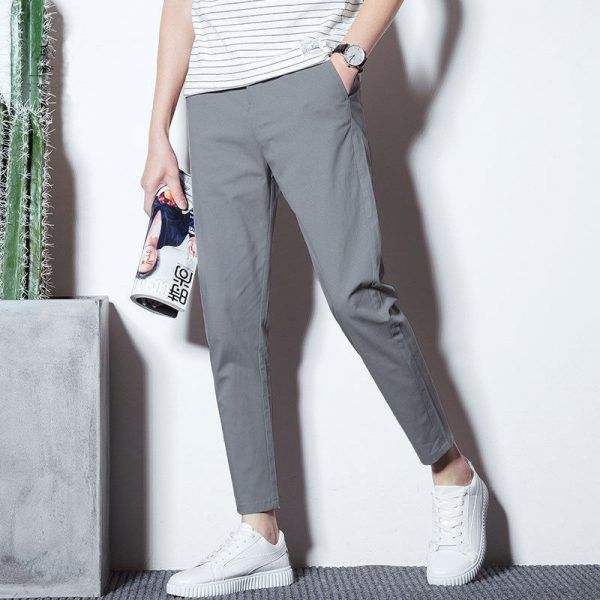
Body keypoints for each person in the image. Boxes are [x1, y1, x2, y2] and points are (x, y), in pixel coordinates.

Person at [141, 0, 488, 596]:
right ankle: (260, 532)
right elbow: (181, 5)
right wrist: (158, 133)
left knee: (357, 295)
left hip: (309, 84)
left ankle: (453, 474)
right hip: (214, 104)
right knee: (230, 318)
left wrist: (350, 56)